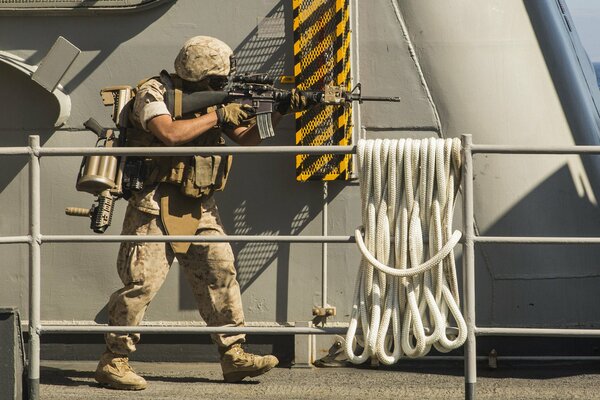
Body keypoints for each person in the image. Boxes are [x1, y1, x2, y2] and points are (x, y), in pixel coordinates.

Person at [94, 35, 310, 390]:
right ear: (200, 75)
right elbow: (170, 134)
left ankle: (233, 356)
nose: (222, 87)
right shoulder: (154, 92)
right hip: (154, 203)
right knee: (141, 285)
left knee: (221, 273)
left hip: (200, 205)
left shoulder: (213, 104)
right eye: (217, 82)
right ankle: (113, 361)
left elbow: (247, 138)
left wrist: (281, 109)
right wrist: (219, 114)